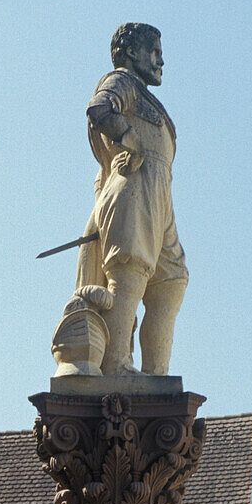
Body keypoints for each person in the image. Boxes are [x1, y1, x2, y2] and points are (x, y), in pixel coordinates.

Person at [76, 23, 188, 376]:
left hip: (158, 194)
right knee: (130, 270)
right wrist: (130, 140)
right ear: (130, 53)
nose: (161, 60)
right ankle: (116, 365)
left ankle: (157, 375)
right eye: (153, 51)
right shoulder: (122, 80)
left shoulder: (141, 92)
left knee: (171, 280)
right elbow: (99, 109)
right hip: (134, 189)